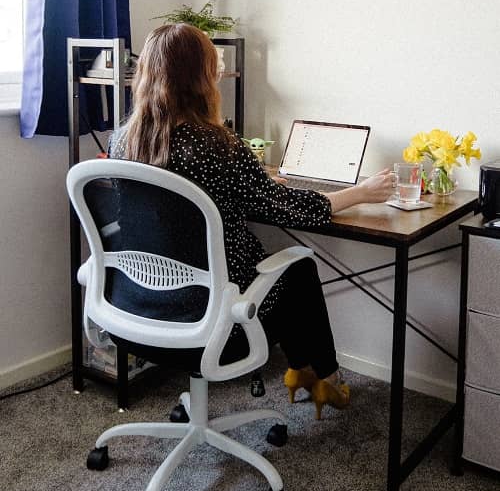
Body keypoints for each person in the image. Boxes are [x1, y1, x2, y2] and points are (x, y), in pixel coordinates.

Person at [110, 23, 394, 419]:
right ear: (201, 77)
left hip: (137, 306)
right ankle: (321, 380)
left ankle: (305, 373)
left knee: (289, 270)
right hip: (214, 316)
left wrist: (252, 182)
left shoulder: (122, 140)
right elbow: (286, 208)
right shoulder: (218, 145)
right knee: (299, 268)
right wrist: (360, 193)